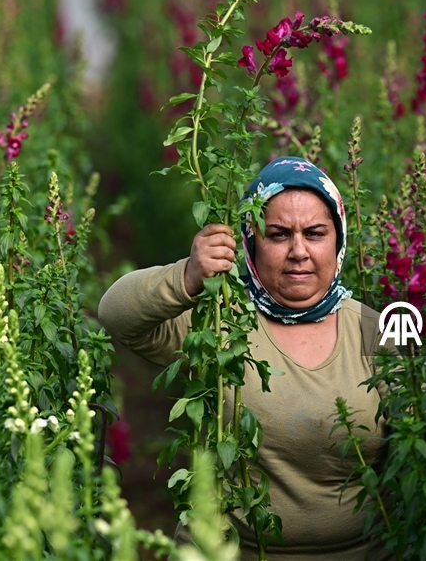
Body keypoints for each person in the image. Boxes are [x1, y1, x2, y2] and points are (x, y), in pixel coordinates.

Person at [98, 156, 393, 561]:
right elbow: (117, 314)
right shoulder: (220, 321)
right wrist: (188, 276)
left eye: (315, 233)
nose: (299, 251)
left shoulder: (378, 331)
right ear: (251, 242)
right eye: (278, 234)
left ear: (338, 240)